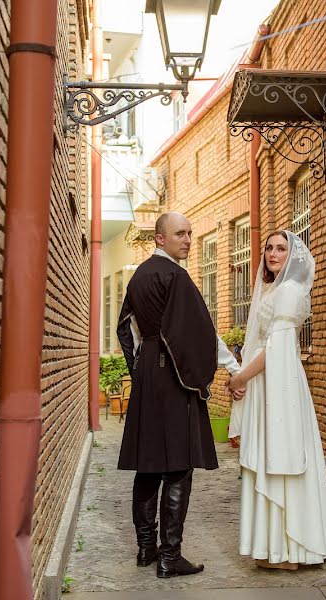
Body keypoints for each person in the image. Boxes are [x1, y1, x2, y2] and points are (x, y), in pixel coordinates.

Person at [116, 212, 243, 578]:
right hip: (172, 377)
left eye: (190, 233)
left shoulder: (139, 275)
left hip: (147, 375)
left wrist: (139, 370)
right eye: (180, 234)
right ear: (159, 238)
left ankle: (146, 550)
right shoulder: (176, 276)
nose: (187, 240)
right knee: (178, 466)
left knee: (148, 463)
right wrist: (233, 369)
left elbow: (127, 329)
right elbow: (198, 335)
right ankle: (169, 558)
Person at [227, 230, 326, 570]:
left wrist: (241, 376)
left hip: (280, 386)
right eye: (269, 248)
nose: (273, 254)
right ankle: (280, 546)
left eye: (281, 248)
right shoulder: (273, 288)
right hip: (267, 384)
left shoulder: (290, 291)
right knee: (272, 453)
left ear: (293, 255)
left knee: (283, 454)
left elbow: (275, 347)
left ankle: (289, 548)